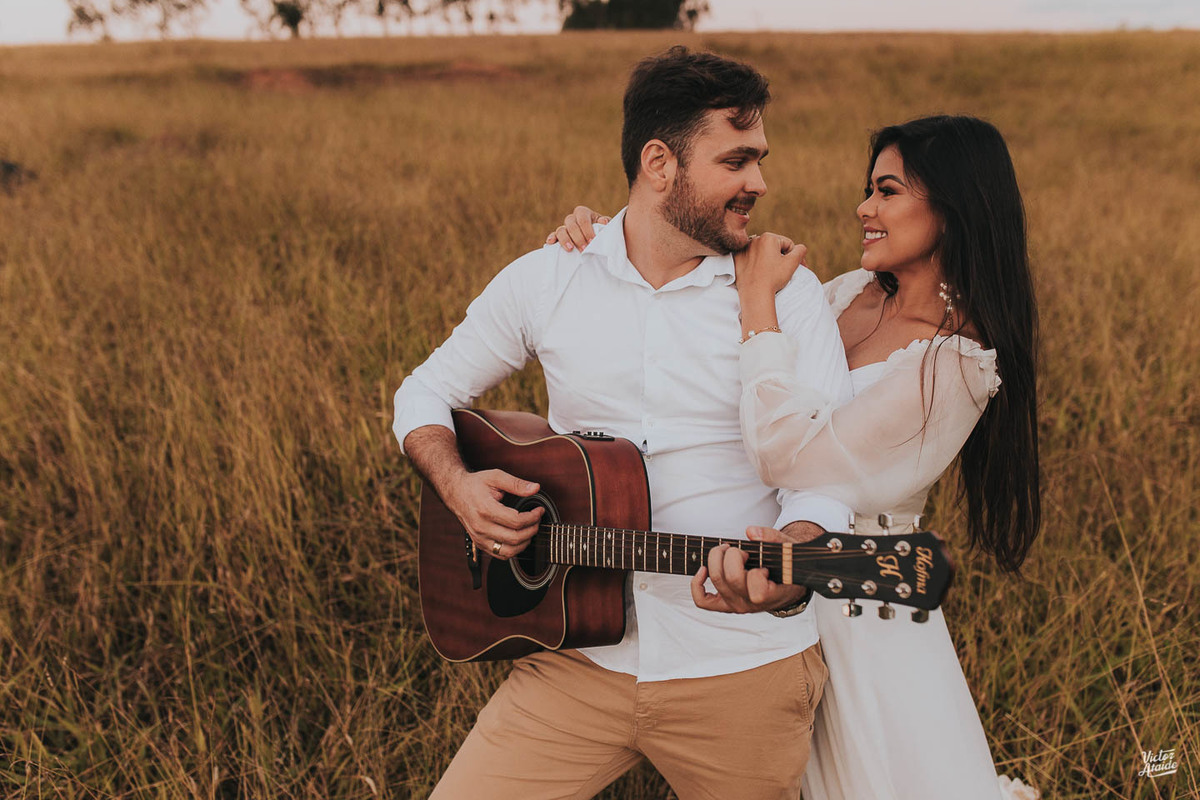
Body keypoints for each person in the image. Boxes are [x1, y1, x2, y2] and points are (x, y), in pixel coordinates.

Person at [393, 46, 854, 799]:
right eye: (736, 161)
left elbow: (826, 473)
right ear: (659, 163)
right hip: (573, 660)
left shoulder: (787, 295)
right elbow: (424, 392)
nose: (760, 183)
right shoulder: (550, 277)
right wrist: (458, 485)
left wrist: (793, 565)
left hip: (743, 669)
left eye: (761, 160)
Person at [549, 115, 1042, 800]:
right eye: (868, 189)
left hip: (860, 621)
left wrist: (758, 303)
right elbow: (687, 309)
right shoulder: (845, 294)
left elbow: (790, 458)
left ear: (953, 210)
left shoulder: (953, 366)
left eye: (888, 192)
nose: (864, 209)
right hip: (762, 603)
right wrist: (614, 237)